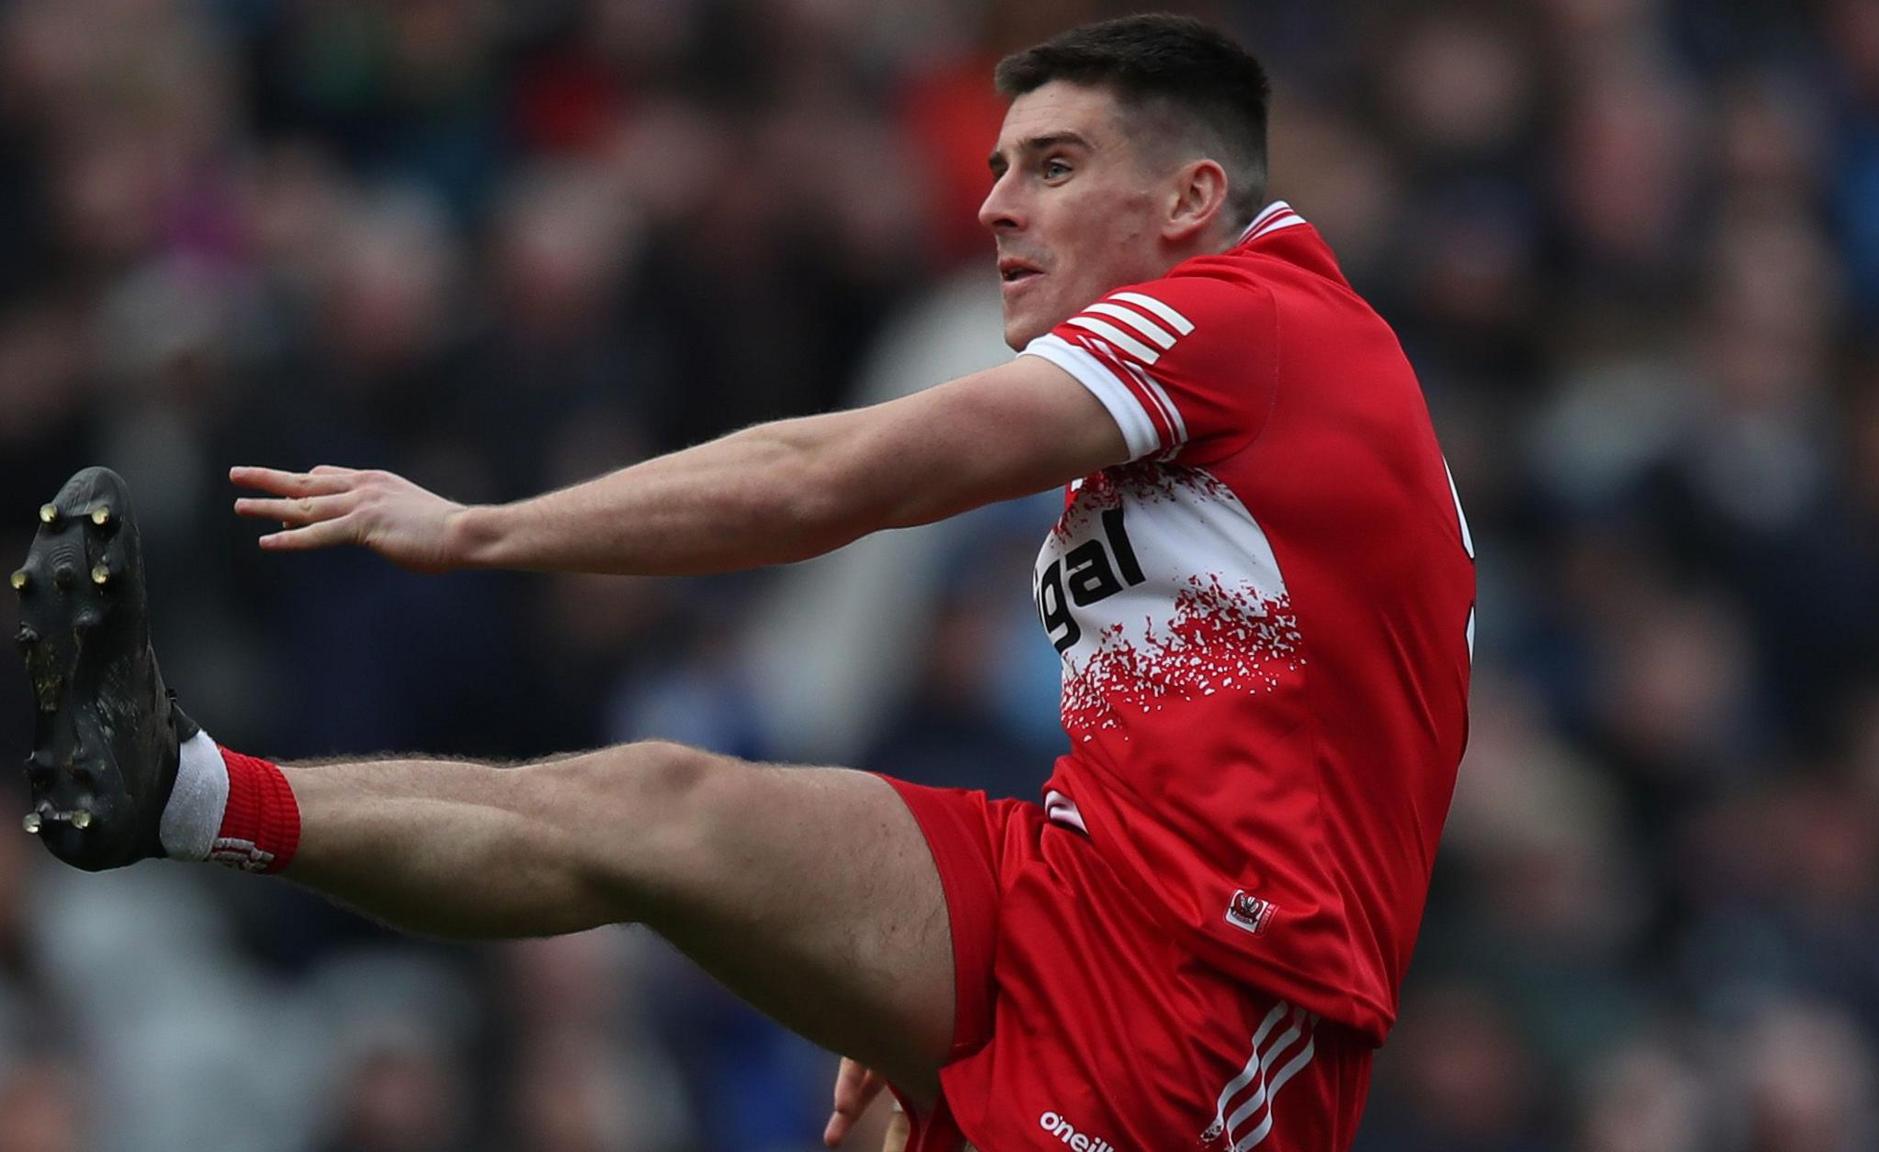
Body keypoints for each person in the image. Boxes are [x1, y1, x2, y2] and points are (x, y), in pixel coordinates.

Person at [11, 14, 1475, 1152]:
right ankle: (179, 789)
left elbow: (832, 475)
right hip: (1068, 897)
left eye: (1055, 166)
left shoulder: (1256, 319)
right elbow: (1213, 742)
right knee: (661, 803)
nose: (996, 210)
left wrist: (483, 529)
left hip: (1213, 1014)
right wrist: (893, 965)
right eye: (995, 168)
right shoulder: (1225, 408)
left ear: (1192, 199)